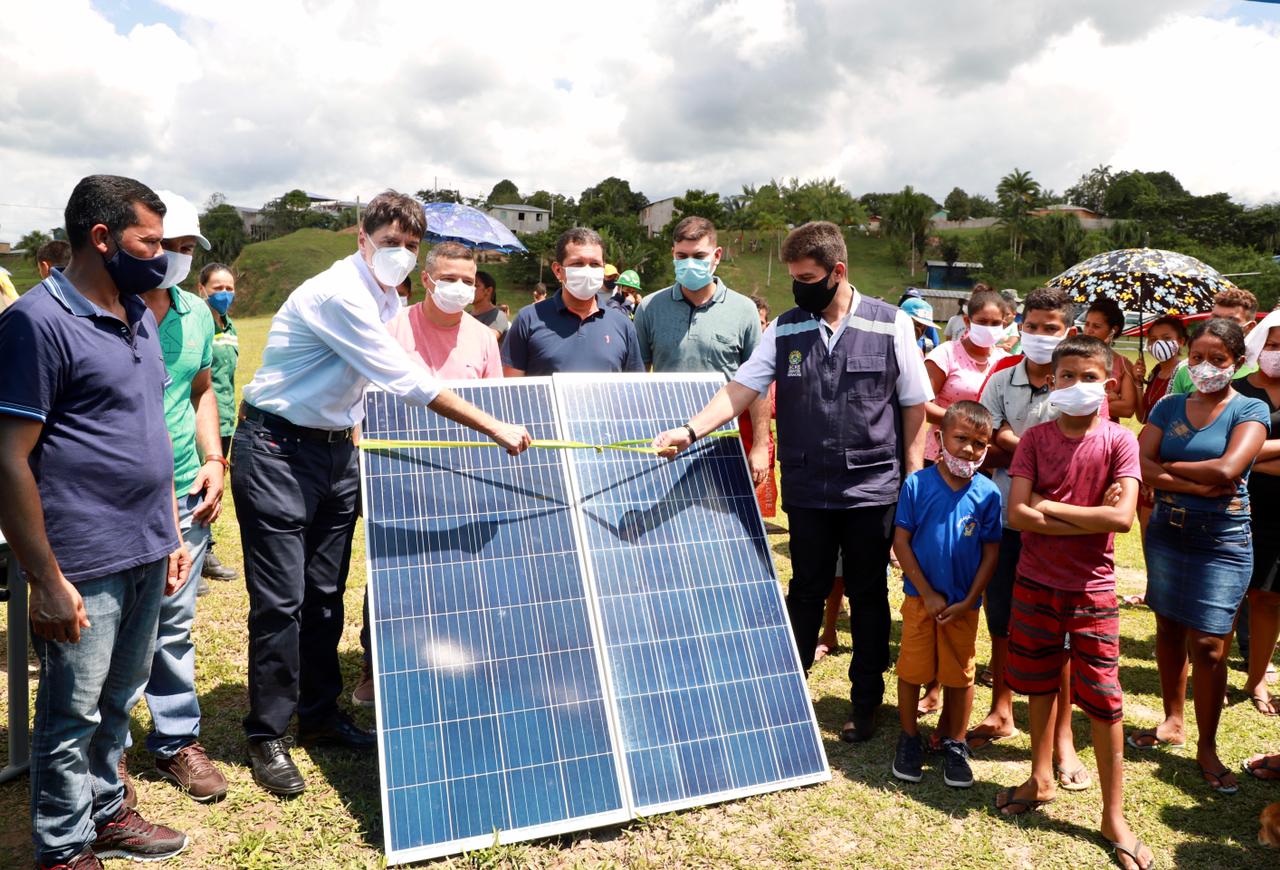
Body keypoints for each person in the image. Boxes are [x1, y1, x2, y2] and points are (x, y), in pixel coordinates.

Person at [232, 190, 531, 797]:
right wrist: (493, 425)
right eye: (390, 242)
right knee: (281, 602)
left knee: (323, 593)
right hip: (277, 450)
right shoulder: (338, 294)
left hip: (336, 450)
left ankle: (319, 717)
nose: (399, 253)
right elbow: (403, 377)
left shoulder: (387, 295)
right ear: (362, 238)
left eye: (410, 244)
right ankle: (268, 735)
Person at [654, 220, 931, 743]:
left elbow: (914, 403)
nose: (799, 287)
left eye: (807, 277)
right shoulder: (785, 329)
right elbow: (742, 388)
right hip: (808, 488)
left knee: (869, 595)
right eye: (794, 278)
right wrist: (691, 430)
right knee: (805, 589)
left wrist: (913, 475)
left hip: (871, 487)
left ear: (837, 272)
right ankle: (789, 691)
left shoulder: (891, 325)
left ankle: (866, 702)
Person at [0, 175, 191, 868]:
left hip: (146, 543)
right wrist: (45, 579)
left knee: (119, 699)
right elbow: (8, 461)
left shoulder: (140, 310)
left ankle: (107, 809)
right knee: (70, 711)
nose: (162, 255)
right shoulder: (35, 322)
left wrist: (169, 530)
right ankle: (62, 843)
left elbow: (150, 433)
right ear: (102, 237)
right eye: (151, 241)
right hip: (81, 558)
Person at [996, 334, 1147, 870]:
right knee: (1036, 682)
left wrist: (1049, 507)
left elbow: (1121, 520)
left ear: (1107, 385)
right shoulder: (1035, 439)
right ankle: (1040, 777)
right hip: (1035, 583)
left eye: (1088, 378)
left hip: (1093, 589)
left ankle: (1113, 815)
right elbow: (1016, 515)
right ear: (1051, 381)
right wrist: (1083, 513)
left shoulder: (1119, 441)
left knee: (1103, 700)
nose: (1076, 385)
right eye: (1066, 376)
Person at [348, 241, 504, 707]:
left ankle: (453, 664)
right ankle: (377, 668)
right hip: (398, 474)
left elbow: (493, 407)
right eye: (449, 278)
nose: (460, 287)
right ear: (429, 279)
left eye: (468, 280)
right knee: (393, 574)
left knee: (455, 576)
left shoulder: (483, 339)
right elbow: (362, 398)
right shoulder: (392, 328)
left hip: (461, 478)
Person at [1131, 318, 1268, 798]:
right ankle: (1173, 720)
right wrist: (1190, 481)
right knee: (1167, 626)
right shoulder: (1169, 405)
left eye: (1218, 359)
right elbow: (1137, 463)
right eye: (1198, 357)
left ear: (1236, 362)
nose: (1205, 367)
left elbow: (1231, 468)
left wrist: (1164, 471)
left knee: (1210, 644)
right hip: (1167, 529)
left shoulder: (1250, 408)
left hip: (1222, 537)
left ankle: (1207, 746)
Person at [124, 190, 228, 803]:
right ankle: (106, 752)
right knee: (113, 631)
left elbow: (201, 389)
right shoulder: (110, 308)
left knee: (175, 621)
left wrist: (215, 459)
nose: (181, 260)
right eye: (172, 247)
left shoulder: (195, 313)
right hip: (122, 495)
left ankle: (175, 740)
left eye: (190, 249)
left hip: (188, 488)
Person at [971, 288, 1091, 792]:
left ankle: (1063, 739)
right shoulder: (1001, 380)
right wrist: (1040, 460)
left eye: (1051, 328)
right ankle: (1002, 710)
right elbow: (985, 441)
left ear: (1069, 332)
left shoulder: (1079, 388)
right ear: (1021, 325)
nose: (1041, 336)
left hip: (1053, 529)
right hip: (1003, 518)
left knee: (1055, 633)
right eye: (1034, 326)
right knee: (1000, 619)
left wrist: (1018, 456)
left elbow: (1081, 451)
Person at [891, 401, 1001, 788]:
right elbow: (902, 542)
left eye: (979, 443)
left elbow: (991, 551)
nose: (969, 450)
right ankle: (908, 738)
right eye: (961, 439)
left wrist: (969, 598)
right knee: (912, 670)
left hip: (963, 607)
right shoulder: (917, 484)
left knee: (960, 674)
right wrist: (927, 592)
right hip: (921, 602)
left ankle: (955, 742)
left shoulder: (988, 493)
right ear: (939, 438)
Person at [633, 216, 770, 491]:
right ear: (673, 254)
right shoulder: (649, 308)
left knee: (718, 526)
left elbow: (759, 386)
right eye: (682, 256)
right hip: (666, 439)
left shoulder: (744, 311)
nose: (689, 263)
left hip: (723, 442)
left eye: (699, 256)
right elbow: (636, 378)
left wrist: (760, 445)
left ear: (717, 255)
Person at [502, 228, 644, 376]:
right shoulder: (528, 320)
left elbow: (633, 391)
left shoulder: (623, 325)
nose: (587, 271)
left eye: (595, 264)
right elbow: (512, 391)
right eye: (578, 263)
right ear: (558, 270)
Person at [1238, 310, 1280, 716]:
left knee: (1268, 598)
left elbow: (1241, 454)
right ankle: (1207, 660)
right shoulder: (1236, 392)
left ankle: (1257, 679)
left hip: (1279, 516)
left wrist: (1249, 454)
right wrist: (1243, 457)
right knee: (1230, 595)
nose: (1277, 353)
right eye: (1271, 343)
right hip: (1235, 507)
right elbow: (1226, 454)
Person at [923, 287, 1010, 465]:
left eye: (995, 323)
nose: (989, 328)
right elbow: (922, 405)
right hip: (941, 456)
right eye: (982, 322)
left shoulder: (1006, 361)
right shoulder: (945, 354)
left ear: (1004, 324)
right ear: (967, 321)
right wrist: (966, 423)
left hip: (984, 460)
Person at [1168, 288, 1258, 394]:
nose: (1221, 326)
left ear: (1250, 327)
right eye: (1216, 318)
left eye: (1231, 320)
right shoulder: (1186, 369)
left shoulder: (1261, 370)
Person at [1080, 298, 1139, 420]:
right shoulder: (1071, 357)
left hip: (1107, 434)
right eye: (1087, 324)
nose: (1088, 331)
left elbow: (1127, 409)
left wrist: (1084, 401)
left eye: (1096, 326)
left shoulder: (1124, 364)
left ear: (1114, 330)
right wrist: (1106, 398)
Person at [470, 270, 509, 342]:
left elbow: (486, 342)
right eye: (469, 284)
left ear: (488, 290)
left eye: (475, 285)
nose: (470, 289)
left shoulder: (498, 316)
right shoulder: (466, 315)